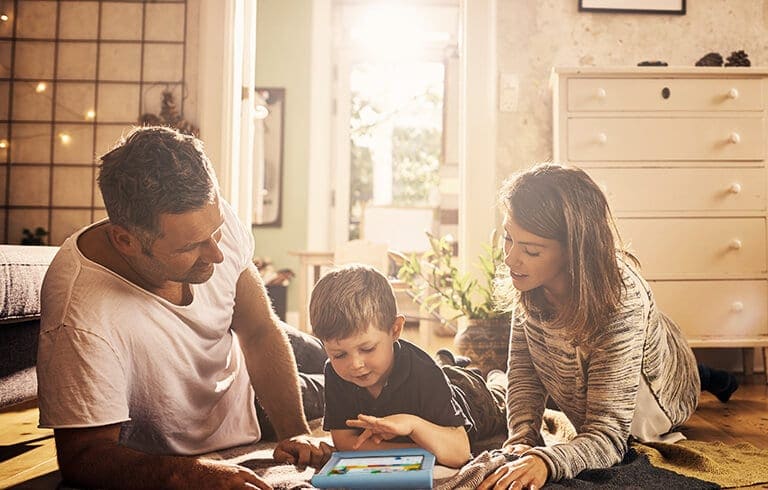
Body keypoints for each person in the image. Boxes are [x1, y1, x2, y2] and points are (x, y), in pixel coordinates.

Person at [36, 126, 330, 490]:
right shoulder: (80, 317)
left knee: (341, 354)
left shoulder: (206, 218)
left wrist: (299, 433)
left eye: (216, 231)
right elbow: (83, 458)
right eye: (191, 247)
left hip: (243, 362)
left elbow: (256, 330)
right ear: (125, 241)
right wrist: (188, 474)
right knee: (349, 380)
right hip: (236, 400)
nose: (217, 254)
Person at [479, 163, 739, 490]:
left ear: (573, 250)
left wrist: (548, 462)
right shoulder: (531, 279)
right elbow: (525, 370)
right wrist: (522, 439)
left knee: (686, 378)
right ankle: (704, 372)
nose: (510, 259)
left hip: (666, 382)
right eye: (508, 238)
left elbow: (610, 436)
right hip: (600, 363)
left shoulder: (620, 302)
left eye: (530, 250)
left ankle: (709, 377)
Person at [308, 264, 508, 468]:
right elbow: (345, 442)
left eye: (367, 349)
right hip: (439, 383)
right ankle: (446, 359)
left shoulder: (425, 374)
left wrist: (412, 425)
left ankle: (498, 378)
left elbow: (459, 453)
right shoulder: (335, 373)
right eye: (339, 354)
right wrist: (418, 450)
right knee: (444, 368)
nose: (355, 365)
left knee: (499, 397)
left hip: (473, 397)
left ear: (395, 330)